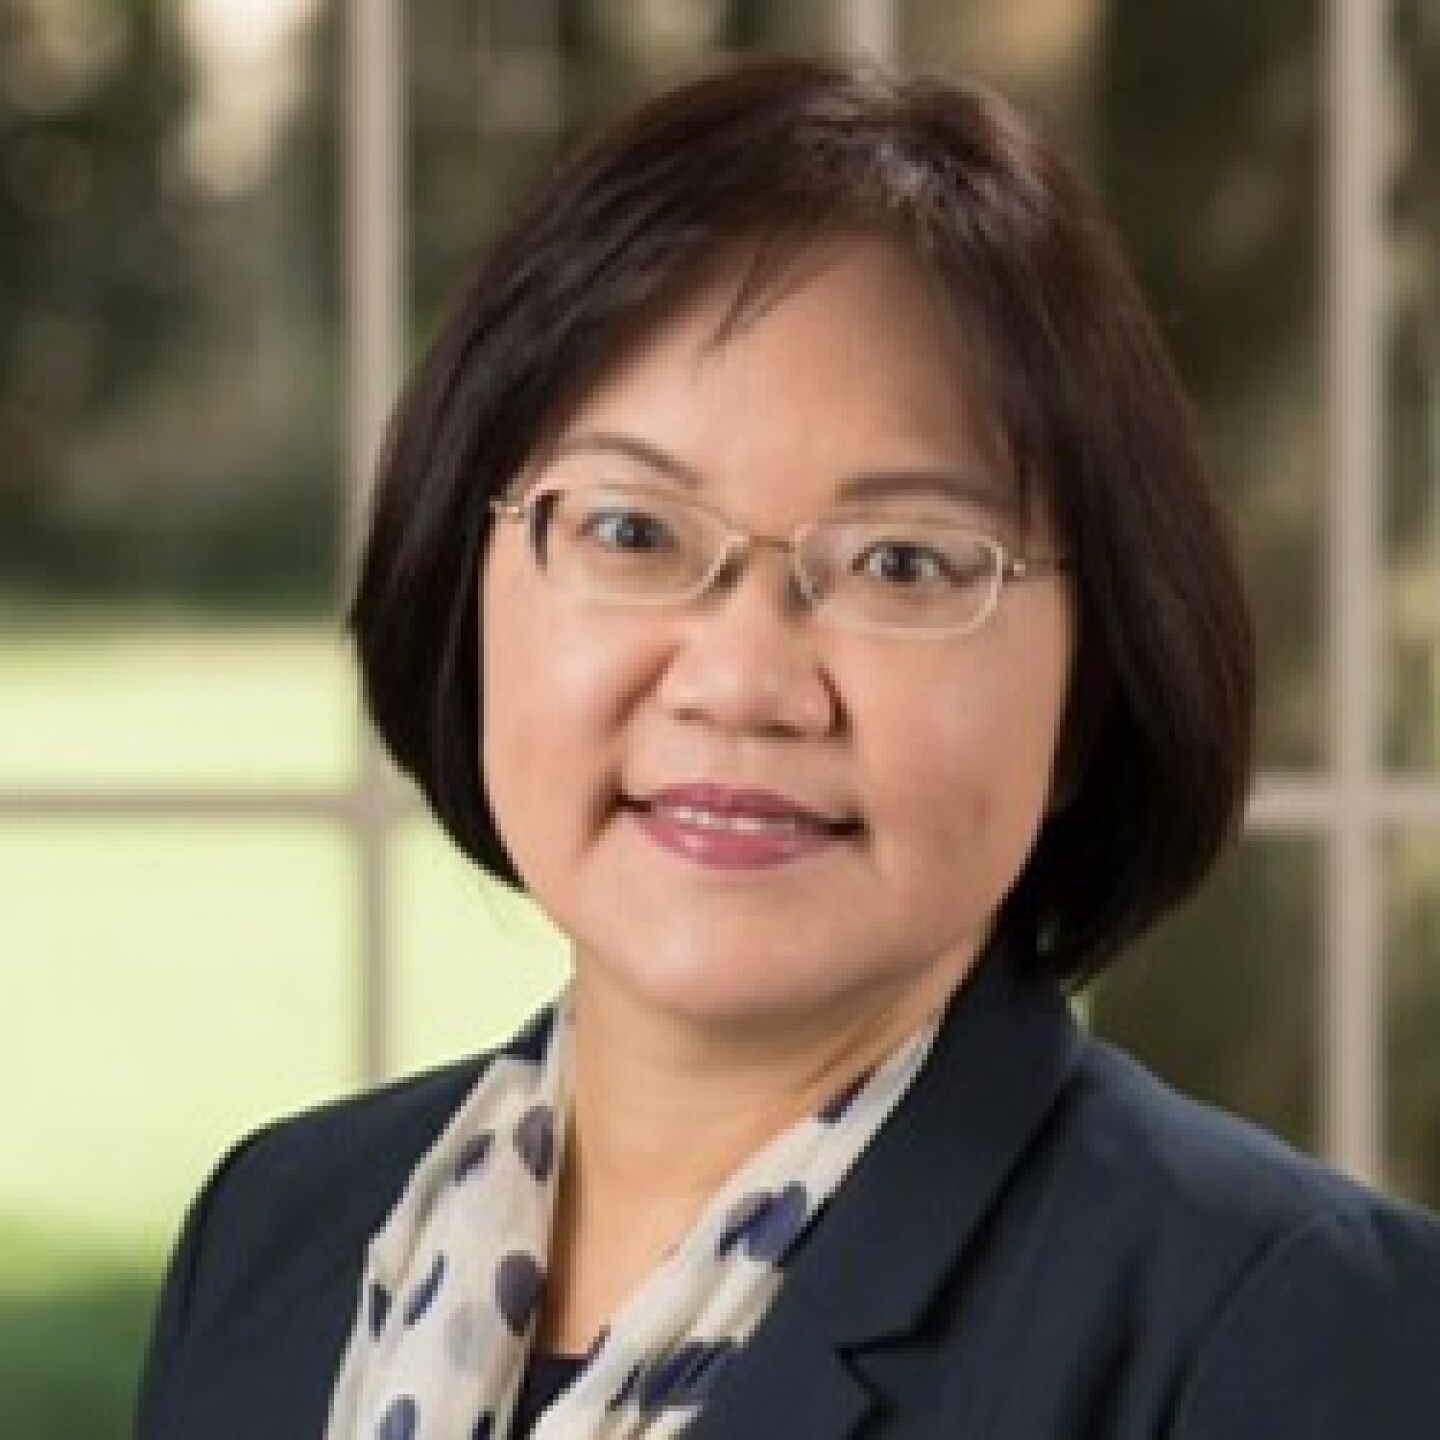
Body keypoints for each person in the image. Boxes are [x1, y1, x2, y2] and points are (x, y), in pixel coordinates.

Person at [134, 57, 1440, 1440]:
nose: (746, 681)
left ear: (1090, 694)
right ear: (469, 575)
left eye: (902, 562)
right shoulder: (276, 1239)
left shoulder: (1296, 1331)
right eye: (632, 531)